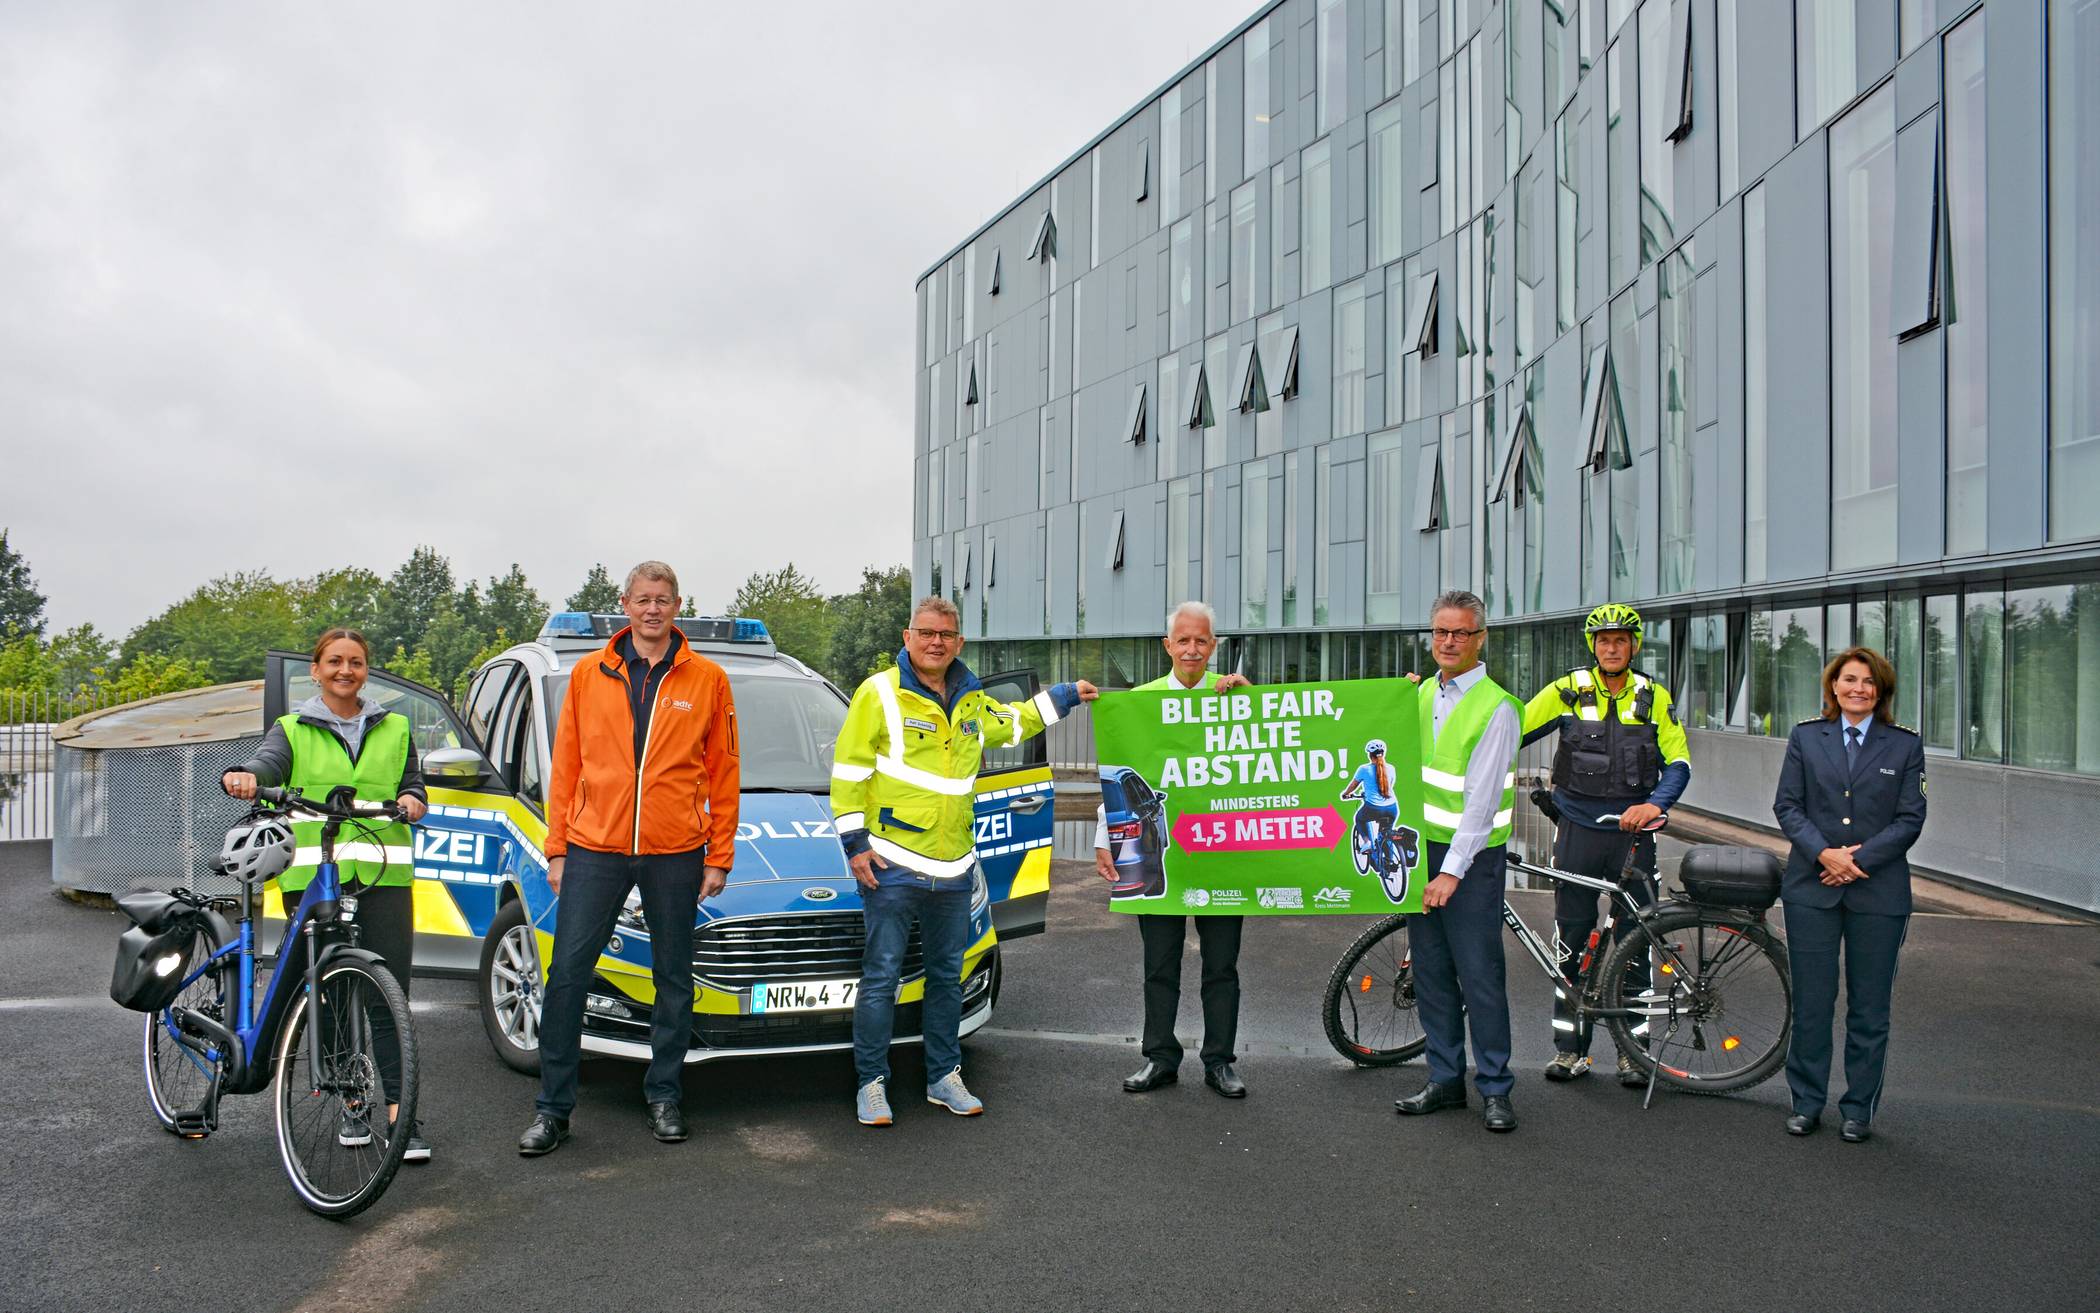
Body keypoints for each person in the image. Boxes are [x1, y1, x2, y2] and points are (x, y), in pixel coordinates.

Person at [833, 596, 1096, 1126]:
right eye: (926, 633)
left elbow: (1015, 723)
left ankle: (942, 1076)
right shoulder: (878, 694)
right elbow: (849, 773)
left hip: (954, 866)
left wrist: (1065, 696)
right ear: (908, 637)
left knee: (946, 978)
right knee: (882, 977)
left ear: (959, 643)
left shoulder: (973, 699)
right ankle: (872, 1083)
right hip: (891, 864)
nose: (936, 643)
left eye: (946, 635)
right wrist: (855, 845)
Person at [517, 562, 740, 1157]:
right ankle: (553, 1110)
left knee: (673, 977)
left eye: (663, 600)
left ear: (677, 606)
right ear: (625, 604)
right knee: (566, 976)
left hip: (676, 851)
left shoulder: (708, 680)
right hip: (595, 847)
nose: (652, 609)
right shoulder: (590, 674)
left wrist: (718, 854)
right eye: (643, 599)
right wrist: (558, 847)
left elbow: (723, 770)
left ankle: (665, 1094)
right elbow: (565, 766)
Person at [222, 627, 431, 1161]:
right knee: (334, 998)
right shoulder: (291, 729)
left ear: (367, 670)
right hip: (316, 880)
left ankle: (401, 1116)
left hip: (384, 877)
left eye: (355, 662)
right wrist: (247, 775)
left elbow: (413, 784)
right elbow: (268, 764)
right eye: (334, 661)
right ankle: (352, 1104)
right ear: (315, 671)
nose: (345, 670)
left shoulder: (398, 726)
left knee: (389, 998)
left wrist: (412, 800)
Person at [1519, 603, 1692, 1087]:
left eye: (1620, 640)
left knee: (1635, 945)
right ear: (1592, 646)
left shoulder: (1654, 697)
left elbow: (1678, 762)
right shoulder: (1567, 690)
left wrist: (1655, 804)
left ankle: (1633, 1052)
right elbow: (1508, 728)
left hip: (1633, 838)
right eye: (1603, 640)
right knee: (1571, 943)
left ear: (1634, 646)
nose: (1611, 648)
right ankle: (1570, 1051)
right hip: (1576, 830)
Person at [1099, 601, 1254, 1099]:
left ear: (1214, 647)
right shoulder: (1138, 703)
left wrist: (1254, 703)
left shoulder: (1233, 697)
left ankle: (1220, 1062)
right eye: (1183, 640)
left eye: (1201, 640)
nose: (1192, 649)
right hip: (1158, 852)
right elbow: (1118, 775)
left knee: (1221, 966)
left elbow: (1276, 755)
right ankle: (1160, 1057)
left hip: (1221, 856)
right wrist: (1105, 840)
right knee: (1159, 964)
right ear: (1168, 646)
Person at [1772, 646, 1926, 1143]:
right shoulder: (1805, 737)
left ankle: (1859, 1108)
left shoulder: (1904, 746)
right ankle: (1807, 1102)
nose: (1858, 689)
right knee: (1813, 1003)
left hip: (1878, 893)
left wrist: (1854, 862)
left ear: (1880, 692)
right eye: (1849, 680)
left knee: (1869, 1007)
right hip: (1811, 888)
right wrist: (1825, 855)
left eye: (1868, 682)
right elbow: (1788, 806)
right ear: (1833, 687)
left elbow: (1910, 819)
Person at [1393, 590, 1522, 1133]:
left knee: (1480, 975)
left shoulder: (1497, 707)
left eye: (1460, 633)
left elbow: (1482, 800)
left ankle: (1495, 1088)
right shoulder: (1420, 694)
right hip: (1419, 848)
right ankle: (1445, 1081)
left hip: (1469, 861)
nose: (1449, 642)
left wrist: (1452, 872)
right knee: (1432, 973)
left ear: (1480, 638)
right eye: (1441, 632)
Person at [1338, 739, 1411, 903]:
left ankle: (1367, 842)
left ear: (1369, 755)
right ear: (1383, 753)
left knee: (1359, 818)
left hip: (1372, 809)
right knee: (1386, 833)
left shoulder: (1364, 769)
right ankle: (1389, 859)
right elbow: (1388, 786)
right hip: (1392, 808)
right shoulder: (1391, 768)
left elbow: (1352, 786)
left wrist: (1345, 794)